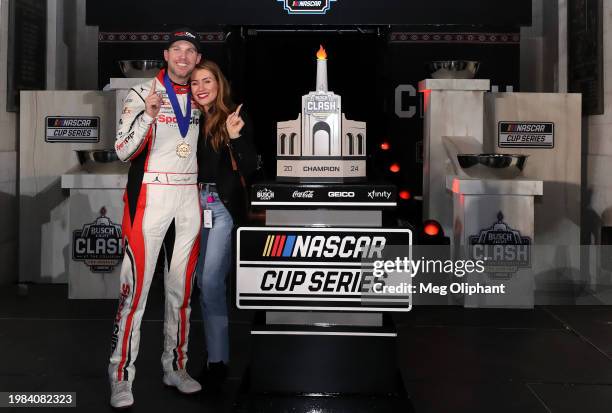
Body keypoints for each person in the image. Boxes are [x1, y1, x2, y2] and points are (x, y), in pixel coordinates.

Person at [108, 28, 203, 409]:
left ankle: (176, 367)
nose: (183, 56)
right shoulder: (142, 92)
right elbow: (121, 150)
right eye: (177, 49)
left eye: (190, 51)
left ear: (197, 59)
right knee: (135, 295)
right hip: (150, 194)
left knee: (181, 292)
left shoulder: (200, 95)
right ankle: (119, 376)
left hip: (188, 195)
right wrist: (148, 116)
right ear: (166, 55)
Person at [190, 60, 257, 392]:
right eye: (194, 83)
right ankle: (191, 355)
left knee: (211, 280)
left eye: (207, 81)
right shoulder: (187, 121)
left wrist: (234, 137)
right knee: (193, 282)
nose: (201, 88)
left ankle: (217, 360)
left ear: (219, 84)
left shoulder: (233, 118)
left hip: (218, 209)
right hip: (187, 209)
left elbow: (252, 166)